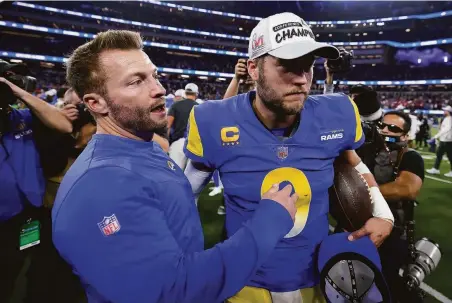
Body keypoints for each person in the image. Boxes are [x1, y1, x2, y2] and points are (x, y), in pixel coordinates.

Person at [52, 30, 299, 303]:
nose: (158, 89)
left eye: (154, 76)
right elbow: (173, 291)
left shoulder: (143, 148)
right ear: (95, 103)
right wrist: (269, 221)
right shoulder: (100, 185)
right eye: (136, 82)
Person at [184, 12, 394, 302]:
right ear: (255, 69)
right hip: (244, 281)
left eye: (307, 66)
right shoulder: (213, 119)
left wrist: (385, 215)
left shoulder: (338, 113)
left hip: (319, 279)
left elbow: (353, 162)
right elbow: (187, 194)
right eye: (288, 66)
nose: (302, 79)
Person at [0, 61, 72, 303]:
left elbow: (63, 124)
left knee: (16, 268)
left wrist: (18, 93)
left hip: (27, 214)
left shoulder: (22, 117)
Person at [372, 111, 424, 302]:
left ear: (405, 135)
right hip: (358, 226)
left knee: (387, 285)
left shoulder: (410, 157)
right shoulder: (369, 151)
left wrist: (365, 192)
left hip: (393, 233)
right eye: (382, 126)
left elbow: (407, 188)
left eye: (393, 128)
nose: (385, 130)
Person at [167, 83, 199, 169]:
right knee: (192, 178)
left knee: (175, 173)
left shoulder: (176, 105)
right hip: (195, 145)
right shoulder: (200, 107)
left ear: (185, 93)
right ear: (196, 94)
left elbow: (167, 126)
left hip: (178, 143)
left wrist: (165, 143)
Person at [426, 105, 452, 177]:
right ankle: (435, 169)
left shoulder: (449, 119)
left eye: (445, 110)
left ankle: (436, 169)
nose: (444, 111)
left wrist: (436, 136)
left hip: (446, 140)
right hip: (445, 140)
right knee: (440, 155)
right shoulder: (447, 118)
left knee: (447, 156)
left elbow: (447, 129)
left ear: (448, 111)